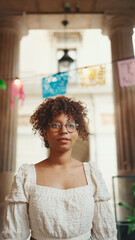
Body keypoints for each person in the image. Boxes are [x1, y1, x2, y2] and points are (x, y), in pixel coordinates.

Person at [2, 95, 117, 240]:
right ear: (44, 131)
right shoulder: (27, 176)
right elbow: (14, 235)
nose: (64, 131)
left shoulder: (92, 174)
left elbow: (105, 234)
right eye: (56, 125)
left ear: (77, 131)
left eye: (70, 125)